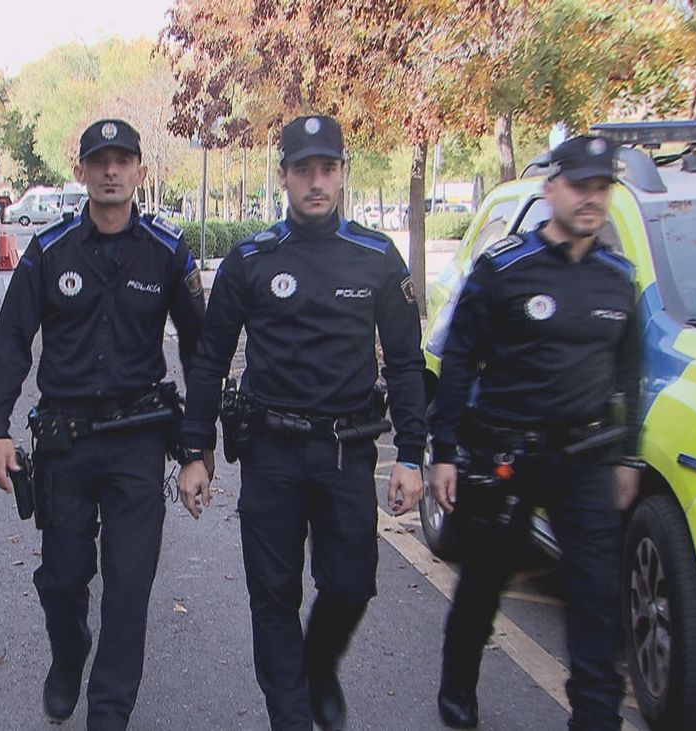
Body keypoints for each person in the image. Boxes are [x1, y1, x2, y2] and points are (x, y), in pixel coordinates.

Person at [176, 114, 426, 731]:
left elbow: (405, 361)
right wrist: (194, 450)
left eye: (328, 169)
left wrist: (415, 454)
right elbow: (209, 359)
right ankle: (289, 716)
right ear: (283, 175)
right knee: (274, 597)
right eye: (303, 170)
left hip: (348, 452)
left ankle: (317, 667)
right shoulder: (251, 260)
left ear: (342, 174)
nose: (316, 182)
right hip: (272, 453)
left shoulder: (376, 257)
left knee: (351, 586)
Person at [0, 118, 205, 730]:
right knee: (62, 579)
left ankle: (108, 713)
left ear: (138, 170)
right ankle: (68, 652)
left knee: (129, 588)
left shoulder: (167, 251)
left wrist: (195, 450)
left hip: (136, 441)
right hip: (66, 442)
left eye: (122, 159)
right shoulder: (49, 251)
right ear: (80, 170)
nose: (111, 170)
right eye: (99, 160)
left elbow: (199, 351)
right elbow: (10, 342)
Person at [428, 135, 641, 731]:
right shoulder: (504, 269)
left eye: (602, 188)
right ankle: (458, 689)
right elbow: (460, 362)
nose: (591, 199)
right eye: (580, 186)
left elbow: (630, 370)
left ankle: (595, 716)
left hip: (587, 460)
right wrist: (443, 453)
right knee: (483, 585)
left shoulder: (617, 278)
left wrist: (627, 456)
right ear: (552, 189)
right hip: (507, 456)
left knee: (596, 597)